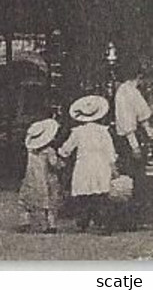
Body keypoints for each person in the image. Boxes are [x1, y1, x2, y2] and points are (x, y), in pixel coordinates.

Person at [60, 94, 118, 234]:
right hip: (101, 164)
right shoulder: (104, 131)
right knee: (101, 193)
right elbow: (110, 151)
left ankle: (83, 221)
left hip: (84, 164)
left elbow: (66, 149)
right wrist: (114, 167)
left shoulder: (78, 132)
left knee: (84, 194)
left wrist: (62, 153)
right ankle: (105, 223)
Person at [112, 63, 152, 230]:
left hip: (136, 136)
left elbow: (143, 118)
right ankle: (129, 218)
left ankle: (136, 216)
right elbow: (128, 122)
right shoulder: (125, 92)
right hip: (130, 139)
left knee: (138, 176)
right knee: (133, 178)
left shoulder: (132, 92)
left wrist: (150, 134)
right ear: (139, 77)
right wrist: (134, 145)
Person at [20, 118, 66, 233]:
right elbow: (54, 163)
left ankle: (25, 221)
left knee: (26, 200)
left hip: (32, 177)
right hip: (47, 177)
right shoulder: (49, 151)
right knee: (49, 202)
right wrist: (61, 163)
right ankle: (50, 225)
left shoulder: (30, 151)